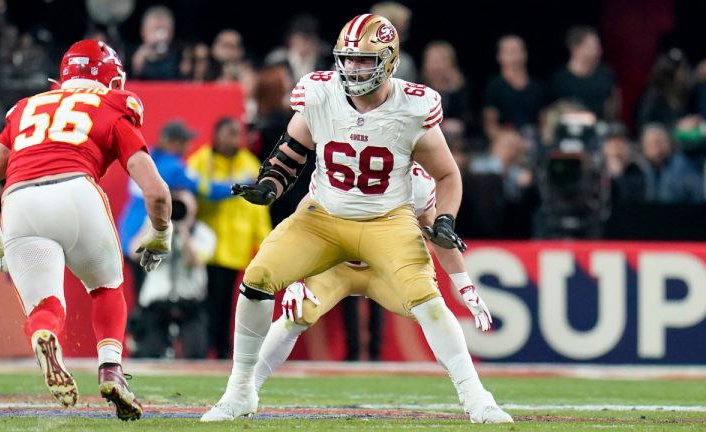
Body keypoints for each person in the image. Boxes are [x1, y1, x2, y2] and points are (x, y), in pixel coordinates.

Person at [201, 14, 512, 424]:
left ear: (389, 60)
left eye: (364, 61)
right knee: (257, 278)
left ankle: (477, 398)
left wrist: (447, 219)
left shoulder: (413, 106)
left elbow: (448, 174)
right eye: (347, 60)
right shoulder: (321, 93)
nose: (352, 69)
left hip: (387, 221)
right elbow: (293, 151)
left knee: (428, 300)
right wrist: (270, 185)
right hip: (323, 217)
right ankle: (240, 390)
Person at [0, 40, 173, 421]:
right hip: (76, 191)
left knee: (46, 307)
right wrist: (161, 233)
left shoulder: (26, 107)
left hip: (18, 201)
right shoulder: (114, 104)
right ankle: (111, 369)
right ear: (113, 81)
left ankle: (45, 337)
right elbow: (156, 192)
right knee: (107, 288)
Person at [253, 163, 492, 382]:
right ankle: (246, 386)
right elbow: (305, 219)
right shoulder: (340, 163)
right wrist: (298, 273)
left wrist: (465, 285)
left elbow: (435, 235)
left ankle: (472, 392)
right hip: (337, 266)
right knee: (297, 313)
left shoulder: (417, 182)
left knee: (433, 311)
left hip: (384, 269)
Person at [187, 117, 272, 359]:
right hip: (204, 247)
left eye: (237, 133)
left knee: (227, 304)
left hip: (236, 245)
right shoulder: (201, 160)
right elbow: (190, 190)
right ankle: (201, 348)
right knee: (203, 302)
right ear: (216, 134)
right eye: (229, 133)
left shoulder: (249, 165)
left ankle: (223, 349)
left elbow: (260, 208)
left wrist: (264, 242)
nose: (233, 138)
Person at [118, 119, 231, 294]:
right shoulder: (173, 168)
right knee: (151, 295)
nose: (188, 146)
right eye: (185, 142)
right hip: (149, 235)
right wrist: (242, 186)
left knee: (142, 294)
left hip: (128, 234)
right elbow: (209, 190)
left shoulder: (144, 160)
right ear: (172, 143)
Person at [130, 190, 216, 359]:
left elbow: (195, 261)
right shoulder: (155, 228)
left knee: (196, 355)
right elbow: (134, 253)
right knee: (148, 355)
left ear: (194, 209)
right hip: (156, 304)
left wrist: (183, 231)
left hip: (190, 305)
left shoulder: (203, 232)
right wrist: (154, 227)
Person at [482, 35, 546, 141]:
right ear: (499, 56)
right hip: (506, 140)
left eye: (518, 51)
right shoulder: (494, 86)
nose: (515, 56)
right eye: (510, 52)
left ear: (525, 54)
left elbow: (544, 122)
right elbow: (490, 125)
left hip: (533, 140)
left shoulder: (537, 86)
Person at [550, 26, 620, 121]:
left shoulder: (605, 74)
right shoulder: (560, 79)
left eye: (598, 47)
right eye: (592, 47)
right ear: (576, 49)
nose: (598, 52)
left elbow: (613, 102)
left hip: (601, 128)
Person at [130, 6, 181, 80]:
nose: (158, 36)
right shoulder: (133, 54)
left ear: (171, 33)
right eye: (153, 30)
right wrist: (137, 63)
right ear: (143, 32)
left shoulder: (179, 56)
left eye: (162, 30)